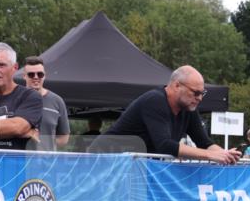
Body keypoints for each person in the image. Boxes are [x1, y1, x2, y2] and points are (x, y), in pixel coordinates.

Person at [93, 66, 240, 164]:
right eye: (195, 93)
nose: (200, 98)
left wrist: (225, 154)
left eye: (203, 93)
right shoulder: (155, 100)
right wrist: (210, 156)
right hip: (104, 160)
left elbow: (204, 143)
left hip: (132, 164)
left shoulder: (188, 108)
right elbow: (164, 145)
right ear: (176, 86)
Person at [0, 42, 42, 150]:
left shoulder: (29, 96)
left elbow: (17, 127)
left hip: (15, 165)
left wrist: (17, 129)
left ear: (15, 67)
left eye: (1, 65)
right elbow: (17, 129)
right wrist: (11, 130)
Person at [23, 56, 70, 151]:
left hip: (46, 163)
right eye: (31, 74)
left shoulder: (57, 101)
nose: (36, 77)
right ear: (24, 76)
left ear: (45, 75)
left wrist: (46, 145)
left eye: (40, 74)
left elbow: (64, 137)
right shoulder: (16, 98)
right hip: (19, 161)